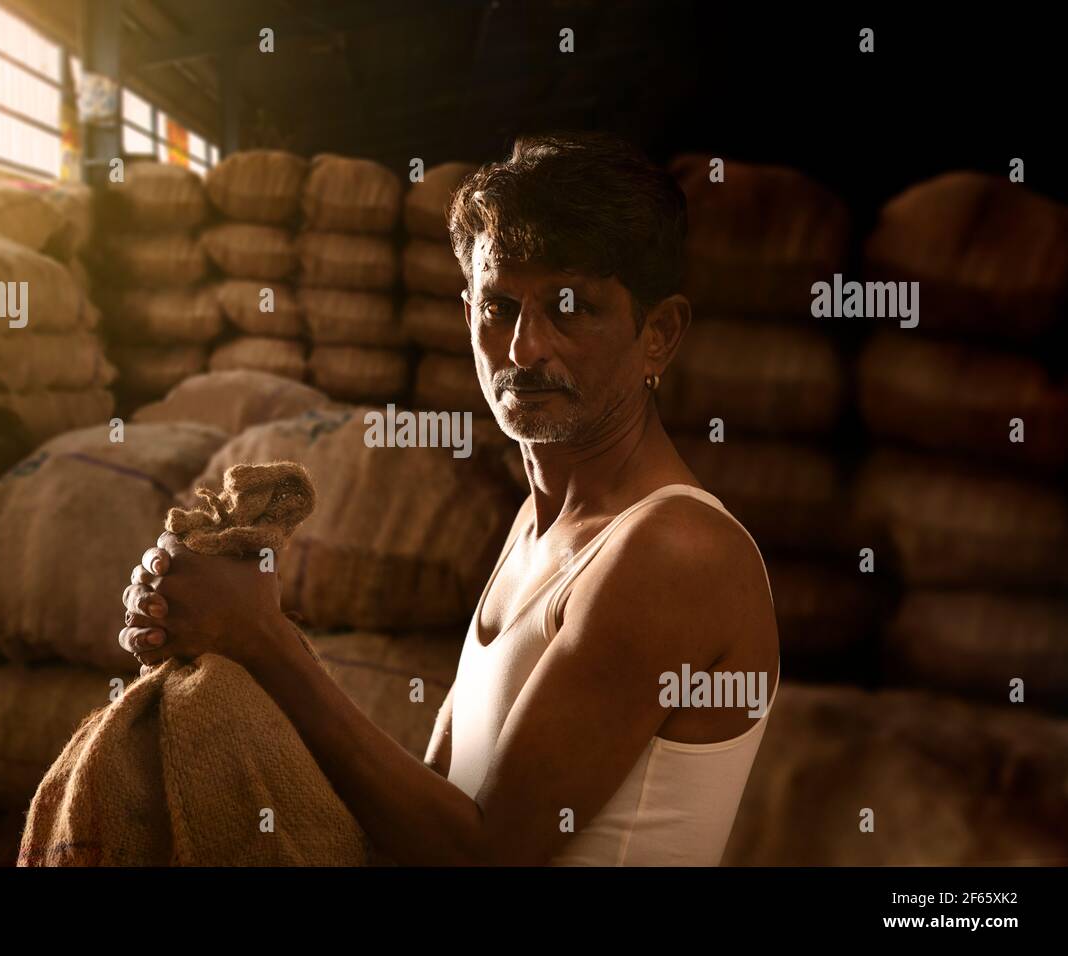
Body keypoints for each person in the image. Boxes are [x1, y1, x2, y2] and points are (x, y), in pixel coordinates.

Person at [119, 131, 779, 866]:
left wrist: (265, 641)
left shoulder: (673, 550)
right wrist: (220, 633)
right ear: (466, 311)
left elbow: (481, 855)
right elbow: (429, 801)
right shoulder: (539, 522)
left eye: (572, 309)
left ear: (659, 334)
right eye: (499, 307)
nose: (525, 349)